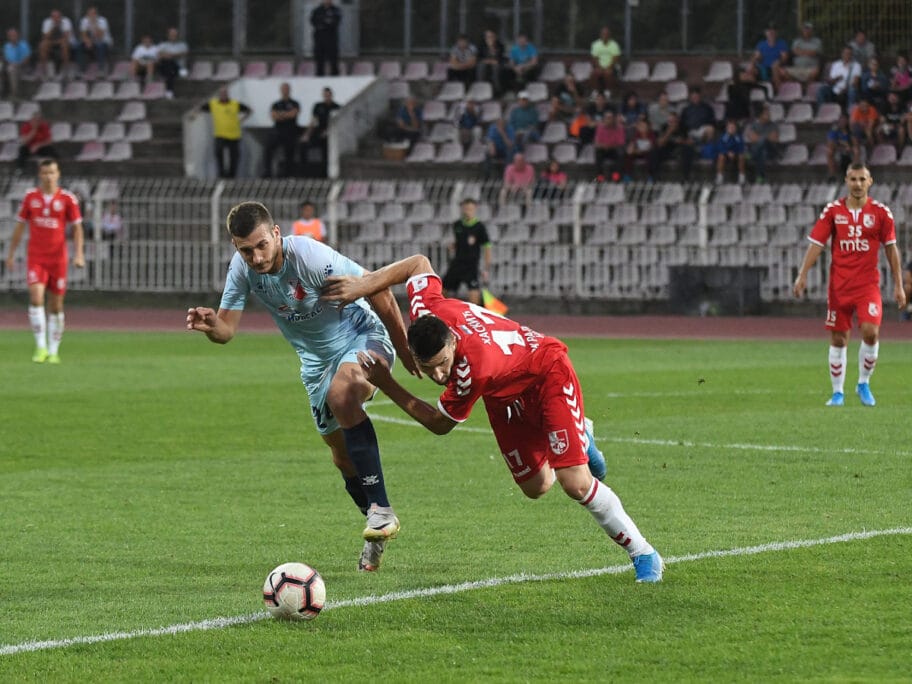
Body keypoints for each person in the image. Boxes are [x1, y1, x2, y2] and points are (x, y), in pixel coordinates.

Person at [320, 254, 663, 584]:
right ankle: (579, 435)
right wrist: (366, 285)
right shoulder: (426, 309)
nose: (438, 375)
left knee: (575, 483)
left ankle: (644, 554)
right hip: (503, 393)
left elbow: (439, 424)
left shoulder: (472, 369)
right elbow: (417, 263)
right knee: (536, 486)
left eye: (442, 363)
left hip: (547, 374)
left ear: (453, 340)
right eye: (428, 367)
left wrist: (387, 382)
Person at [186, 201, 418, 572]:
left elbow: (378, 288)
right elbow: (227, 331)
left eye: (262, 245)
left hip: (361, 336)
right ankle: (375, 528)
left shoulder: (310, 257)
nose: (256, 257)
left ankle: (381, 510)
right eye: (246, 250)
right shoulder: (242, 270)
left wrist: (403, 349)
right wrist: (212, 326)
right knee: (341, 457)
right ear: (235, 246)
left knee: (342, 395)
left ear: (276, 234)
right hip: (315, 364)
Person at [792, 163, 906, 407]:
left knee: (871, 332)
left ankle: (863, 383)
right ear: (846, 181)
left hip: (867, 286)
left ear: (870, 181)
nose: (858, 184)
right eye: (853, 179)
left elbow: (891, 248)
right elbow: (817, 244)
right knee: (839, 339)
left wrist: (899, 284)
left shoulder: (881, 213)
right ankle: (837, 393)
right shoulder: (833, 211)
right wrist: (802, 274)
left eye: (862, 179)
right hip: (839, 287)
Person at [4, 159, 85, 364]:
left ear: (58, 174)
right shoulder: (30, 197)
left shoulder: (67, 199)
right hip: (37, 257)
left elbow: (77, 228)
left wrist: (79, 254)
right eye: (45, 173)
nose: (49, 177)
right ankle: (40, 347)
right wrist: (11, 253)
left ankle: (54, 350)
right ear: (40, 175)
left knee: (56, 306)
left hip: (58, 259)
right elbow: (20, 226)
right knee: (36, 297)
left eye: (52, 172)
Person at [442, 198, 491, 305]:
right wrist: (453, 245)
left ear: (475, 209)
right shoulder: (457, 225)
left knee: (474, 296)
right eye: (466, 209)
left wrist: (486, 268)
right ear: (462, 209)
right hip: (457, 263)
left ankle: (476, 313)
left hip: (471, 266)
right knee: (442, 291)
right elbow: (459, 242)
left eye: (470, 209)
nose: (468, 211)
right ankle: (438, 313)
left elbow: (487, 247)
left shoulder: (479, 227)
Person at [200, 87, 252, 178]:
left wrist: (242, 119)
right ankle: (221, 173)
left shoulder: (234, 104)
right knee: (218, 153)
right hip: (220, 134)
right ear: (219, 95)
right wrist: (194, 114)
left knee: (234, 156)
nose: (223, 95)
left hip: (234, 134)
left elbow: (249, 110)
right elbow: (201, 108)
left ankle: (232, 175)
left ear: (227, 94)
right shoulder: (214, 104)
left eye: (225, 93)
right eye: (222, 93)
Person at [299, 86, 340, 178]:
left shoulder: (336, 107)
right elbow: (313, 121)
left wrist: (328, 132)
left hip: (331, 133)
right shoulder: (318, 106)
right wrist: (306, 134)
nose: (327, 97)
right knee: (303, 145)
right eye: (325, 95)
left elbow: (337, 124)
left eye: (328, 95)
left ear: (331, 95)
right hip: (319, 131)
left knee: (326, 149)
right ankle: (304, 172)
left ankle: (325, 174)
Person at [263, 82, 301, 178]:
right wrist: (286, 114)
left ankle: (289, 174)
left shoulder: (294, 103)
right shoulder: (276, 104)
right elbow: (274, 116)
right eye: (283, 89)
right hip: (278, 131)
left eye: (286, 89)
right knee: (268, 149)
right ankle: (267, 173)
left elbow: (293, 114)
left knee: (290, 153)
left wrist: (281, 114)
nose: (285, 91)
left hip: (290, 131)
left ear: (289, 90)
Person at [745, 104, 779, 182]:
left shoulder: (773, 125)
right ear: (760, 115)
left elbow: (774, 139)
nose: (769, 115)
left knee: (763, 141)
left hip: (771, 150)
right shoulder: (754, 125)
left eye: (769, 113)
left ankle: (751, 154)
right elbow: (752, 138)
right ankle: (760, 177)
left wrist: (760, 137)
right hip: (761, 151)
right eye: (766, 114)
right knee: (762, 152)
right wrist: (766, 137)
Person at [37, 9, 74, 78]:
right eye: (54, 17)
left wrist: (59, 26)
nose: (56, 18)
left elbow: (66, 37)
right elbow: (45, 37)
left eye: (58, 17)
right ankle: (44, 69)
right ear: (51, 17)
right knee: (42, 45)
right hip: (51, 42)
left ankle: (66, 69)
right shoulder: (47, 22)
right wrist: (54, 27)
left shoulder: (66, 21)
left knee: (64, 44)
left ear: (61, 16)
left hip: (64, 42)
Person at [76, 6, 112, 75]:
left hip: (103, 42)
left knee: (100, 46)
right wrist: (88, 41)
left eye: (93, 13)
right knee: (79, 46)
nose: (92, 15)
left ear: (96, 14)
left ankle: (101, 70)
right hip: (90, 42)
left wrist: (94, 24)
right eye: (90, 14)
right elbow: (83, 34)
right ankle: (80, 70)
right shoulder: (84, 20)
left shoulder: (103, 21)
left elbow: (100, 36)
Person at [310, 0, 342, 77]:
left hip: (331, 38)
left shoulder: (335, 10)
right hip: (319, 38)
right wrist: (325, 22)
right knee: (319, 58)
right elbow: (313, 21)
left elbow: (335, 22)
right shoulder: (317, 10)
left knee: (333, 59)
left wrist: (324, 23)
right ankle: (319, 75)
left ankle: (335, 76)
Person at [157, 27, 189, 98]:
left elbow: (183, 54)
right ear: (168, 35)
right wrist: (173, 55)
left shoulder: (183, 45)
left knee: (169, 67)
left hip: (178, 67)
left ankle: (169, 91)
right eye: (171, 35)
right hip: (164, 67)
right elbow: (160, 55)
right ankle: (169, 91)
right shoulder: (163, 44)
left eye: (175, 35)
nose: (173, 36)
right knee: (168, 65)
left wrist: (169, 55)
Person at [590, 26, 621, 92]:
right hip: (599, 66)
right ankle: (595, 91)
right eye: (603, 34)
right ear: (600, 35)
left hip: (611, 67)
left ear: (609, 35)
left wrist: (609, 67)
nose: (605, 36)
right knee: (594, 73)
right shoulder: (596, 44)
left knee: (608, 73)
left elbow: (616, 58)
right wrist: (599, 67)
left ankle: (608, 91)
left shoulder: (614, 44)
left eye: (606, 34)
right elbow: (594, 58)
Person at [715, 119, 746, 184]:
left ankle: (742, 177)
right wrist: (727, 152)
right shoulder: (723, 137)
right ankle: (719, 177)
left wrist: (735, 153)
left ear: (736, 129)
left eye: (733, 127)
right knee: (721, 156)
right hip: (726, 155)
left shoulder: (738, 137)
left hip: (736, 155)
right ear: (727, 128)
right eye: (730, 127)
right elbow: (720, 147)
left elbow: (741, 147)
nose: (731, 129)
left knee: (741, 156)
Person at [2, 28, 31, 99]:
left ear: (18, 36)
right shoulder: (6, 46)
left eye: (14, 35)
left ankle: (15, 94)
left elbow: (27, 58)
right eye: (11, 35)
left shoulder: (24, 44)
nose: (13, 37)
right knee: (9, 69)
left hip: (22, 66)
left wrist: (18, 64)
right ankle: (3, 93)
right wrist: (11, 64)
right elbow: (6, 59)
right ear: (8, 37)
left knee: (12, 69)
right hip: (10, 66)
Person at [476, 29, 506, 96]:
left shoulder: (500, 45)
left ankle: (497, 89)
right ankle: (480, 87)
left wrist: (491, 47)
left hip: (496, 63)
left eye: (491, 36)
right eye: (488, 37)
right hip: (485, 63)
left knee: (496, 67)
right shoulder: (481, 45)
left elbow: (501, 58)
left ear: (495, 37)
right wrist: (488, 61)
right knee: (481, 66)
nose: (490, 38)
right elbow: (479, 58)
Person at [826, 114, 853, 182]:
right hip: (840, 150)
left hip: (850, 150)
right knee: (830, 152)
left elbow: (854, 142)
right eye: (841, 121)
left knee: (856, 151)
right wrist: (841, 146)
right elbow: (831, 143)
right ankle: (832, 175)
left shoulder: (851, 130)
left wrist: (848, 146)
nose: (842, 122)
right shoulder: (834, 131)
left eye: (844, 120)